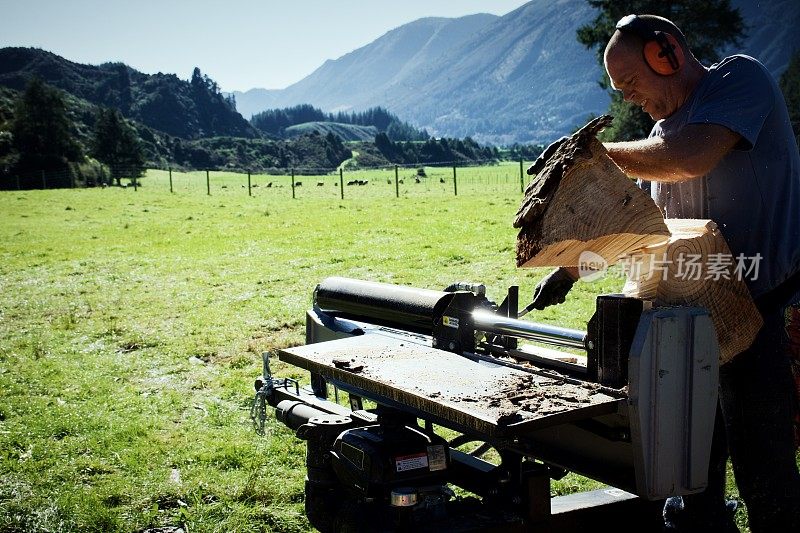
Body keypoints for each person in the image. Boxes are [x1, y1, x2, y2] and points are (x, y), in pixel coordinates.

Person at [530, 13, 800, 533]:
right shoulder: (658, 134)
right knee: (688, 473)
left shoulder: (738, 80)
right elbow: (645, 231)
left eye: (630, 82)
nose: (628, 96)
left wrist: (591, 158)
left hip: (763, 311)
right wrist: (567, 271)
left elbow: (690, 158)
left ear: (667, 54)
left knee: (764, 470)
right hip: (693, 325)